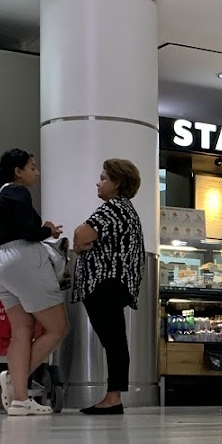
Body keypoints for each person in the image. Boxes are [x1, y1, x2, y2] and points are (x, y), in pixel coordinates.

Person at [0, 148, 69, 416]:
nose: (37, 173)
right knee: (58, 328)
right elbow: (29, 232)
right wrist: (47, 230)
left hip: (2, 264)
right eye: (32, 167)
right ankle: (16, 381)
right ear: (18, 171)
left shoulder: (0, 193)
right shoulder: (18, 192)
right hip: (25, 260)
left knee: (21, 330)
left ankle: (20, 400)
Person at [73, 159, 145, 416]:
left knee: (113, 339)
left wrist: (82, 244)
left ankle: (113, 397)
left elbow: (81, 236)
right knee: (114, 339)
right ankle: (113, 396)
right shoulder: (124, 210)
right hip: (114, 283)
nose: (98, 182)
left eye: (103, 178)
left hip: (106, 282)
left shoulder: (114, 208)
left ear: (117, 183)